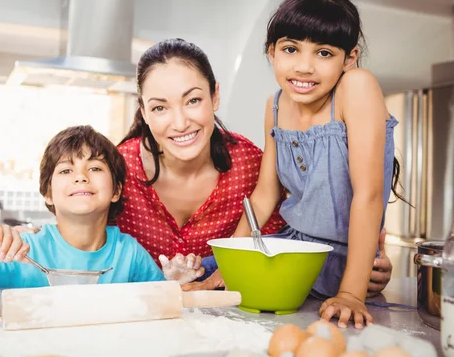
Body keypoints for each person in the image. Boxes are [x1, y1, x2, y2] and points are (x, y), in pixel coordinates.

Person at [116, 37, 393, 296]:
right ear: (144, 113)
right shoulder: (117, 169)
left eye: (193, 101)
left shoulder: (249, 166)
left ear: (215, 97)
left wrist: (358, 267)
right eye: (159, 108)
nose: (179, 123)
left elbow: (285, 249)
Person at [203, 0, 403, 328]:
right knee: (198, 275)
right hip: (291, 253)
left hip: (346, 263)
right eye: (291, 49)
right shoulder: (275, 105)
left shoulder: (356, 86)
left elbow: (368, 195)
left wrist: (352, 293)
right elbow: (265, 195)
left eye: (324, 53)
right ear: (272, 53)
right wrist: (229, 267)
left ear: (349, 58)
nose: (305, 66)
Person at [0, 125, 202, 290]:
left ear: (116, 190)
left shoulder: (128, 253)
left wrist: (171, 286)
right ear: (48, 193)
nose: (81, 176)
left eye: (94, 167)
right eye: (66, 171)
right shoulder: (22, 251)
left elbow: (157, 306)